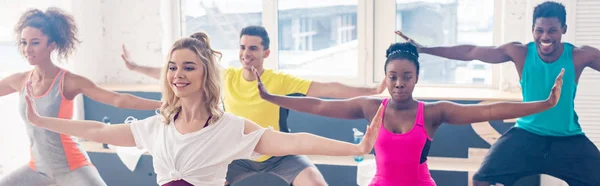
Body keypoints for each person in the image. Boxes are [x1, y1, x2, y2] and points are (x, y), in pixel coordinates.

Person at [22, 32, 383, 186]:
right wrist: (41, 120)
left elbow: (297, 142)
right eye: (173, 67)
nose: (178, 75)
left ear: (205, 73)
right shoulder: (157, 126)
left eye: (189, 67)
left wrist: (356, 148)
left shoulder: (229, 129)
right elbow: (99, 132)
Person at [254, 42, 563, 186]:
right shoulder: (371, 107)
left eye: (407, 76)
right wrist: (271, 97)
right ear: (385, 77)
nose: (399, 84)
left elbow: (490, 110)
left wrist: (543, 104)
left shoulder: (433, 113)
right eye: (392, 77)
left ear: (417, 77)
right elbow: (320, 105)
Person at [121, 25, 386, 185]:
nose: (246, 53)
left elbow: (327, 89)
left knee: (316, 182)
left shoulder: (279, 80)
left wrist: (372, 90)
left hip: (277, 153)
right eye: (242, 47)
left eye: (253, 49)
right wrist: (134, 67)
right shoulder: (227, 75)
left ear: (266, 53)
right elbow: (176, 71)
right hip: (236, 154)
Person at [395, 1, 600, 185]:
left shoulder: (579, 56)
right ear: (532, 30)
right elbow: (470, 52)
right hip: (526, 135)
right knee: (481, 179)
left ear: (563, 29)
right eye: (540, 30)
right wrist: (425, 49)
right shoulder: (520, 52)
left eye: (552, 30)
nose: (545, 37)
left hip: (568, 138)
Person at [0, 7, 161, 186]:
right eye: (23, 42)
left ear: (51, 45)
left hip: (72, 167)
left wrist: (164, 104)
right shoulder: (19, 80)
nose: (27, 49)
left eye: (35, 43)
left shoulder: (69, 82)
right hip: (37, 169)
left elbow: (118, 100)